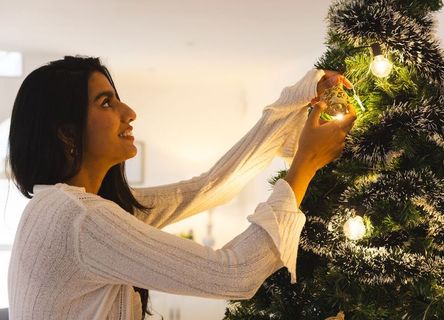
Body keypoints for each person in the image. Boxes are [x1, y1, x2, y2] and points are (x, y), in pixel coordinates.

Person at [7, 56, 355, 320]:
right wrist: (304, 165)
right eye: (106, 103)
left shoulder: (69, 209)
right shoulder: (79, 220)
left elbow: (207, 187)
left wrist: (297, 101)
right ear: (66, 133)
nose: (129, 112)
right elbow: (235, 273)